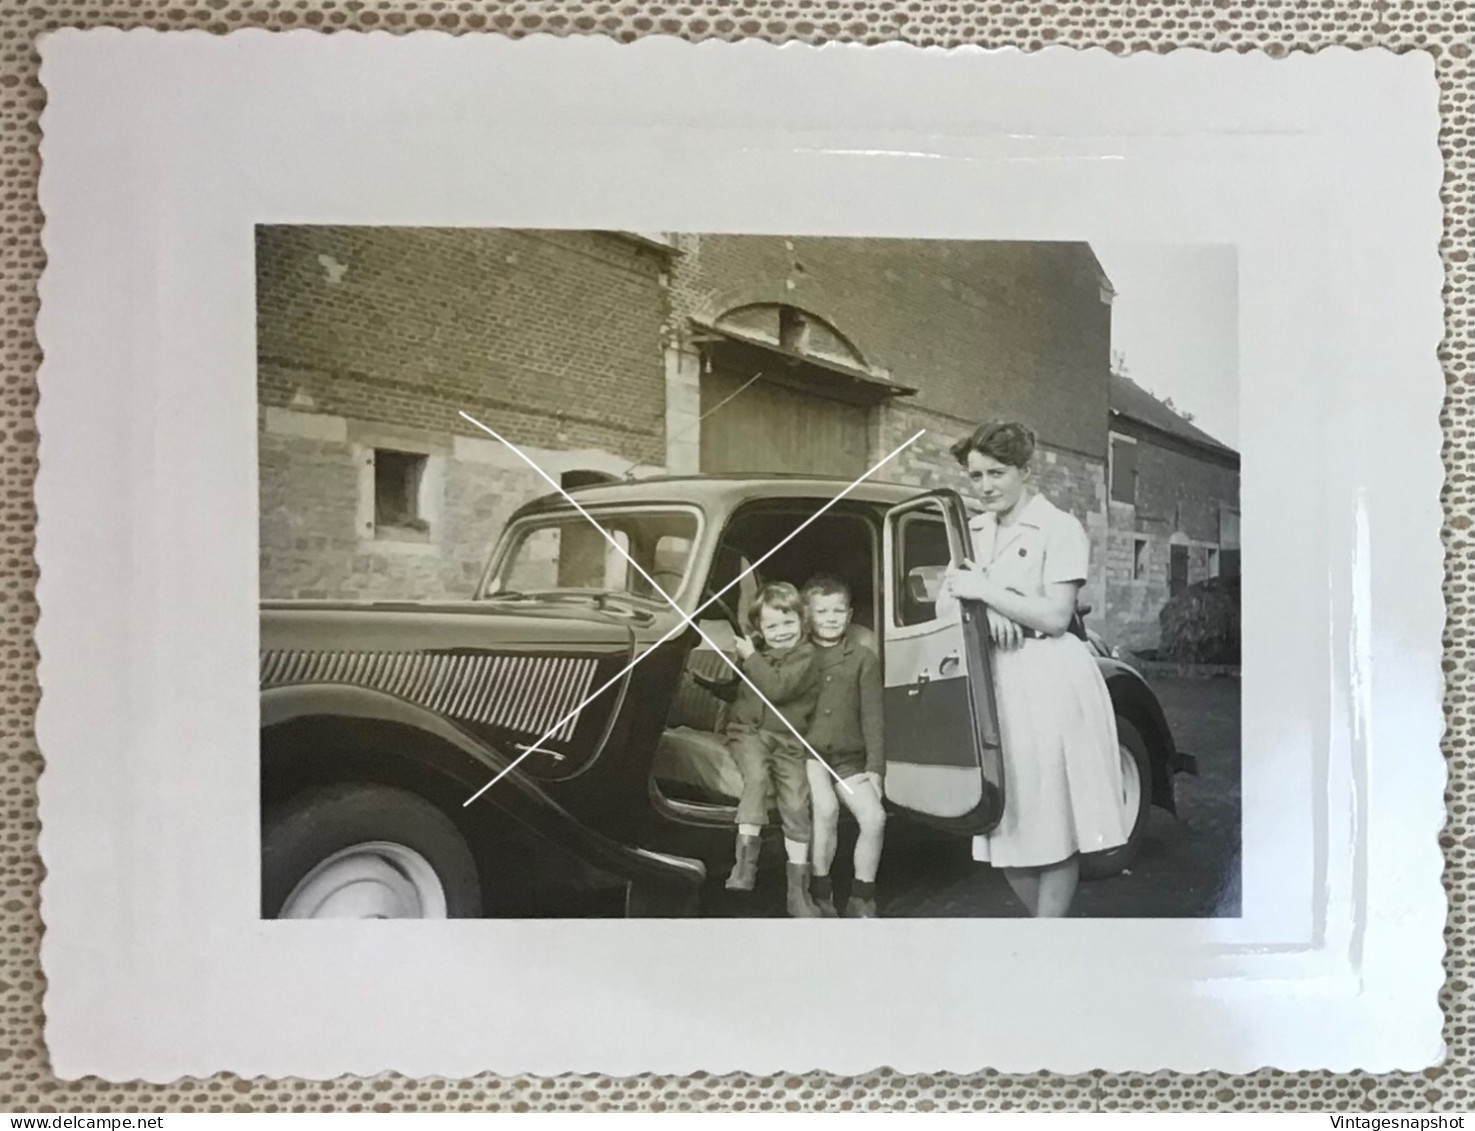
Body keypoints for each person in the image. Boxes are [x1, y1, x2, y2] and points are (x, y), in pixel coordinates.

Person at [941, 420, 1129, 918]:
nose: (984, 487)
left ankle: (1047, 940)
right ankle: (1050, 937)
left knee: (1051, 821)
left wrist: (989, 594)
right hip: (994, 686)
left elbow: (1056, 616)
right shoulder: (969, 532)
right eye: (976, 476)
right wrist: (989, 612)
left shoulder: (1059, 527)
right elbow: (949, 604)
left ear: (1025, 471)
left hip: (1049, 681)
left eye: (996, 473)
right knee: (1005, 826)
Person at [723, 581, 823, 918]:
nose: (781, 632)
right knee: (756, 780)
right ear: (760, 629)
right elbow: (739, 690)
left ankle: (798, 892)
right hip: (748, 734)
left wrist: (751, 656)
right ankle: (744, 866)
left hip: (789, 741)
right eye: (771, 626)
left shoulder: (807, 656)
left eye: (788, 623)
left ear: (802, 622)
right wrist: (744, 659)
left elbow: (777, 689)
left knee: (796, 801)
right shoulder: (757, 653)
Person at [800, 575, 888, 919]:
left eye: (839, 611)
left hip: (849, 760)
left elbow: (874, 718)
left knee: (875, 817)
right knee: (825, 810)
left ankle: (861, 897)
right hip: (811, 755)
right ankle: (820, 893)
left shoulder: (863, 658)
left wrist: (875, 768)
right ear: (807, 615)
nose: (832, 618)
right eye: (823, 611)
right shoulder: (798, 654)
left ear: (850, 615)